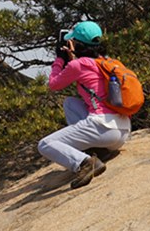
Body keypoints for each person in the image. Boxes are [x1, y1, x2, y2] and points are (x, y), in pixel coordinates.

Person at [37, 21, 131, 189]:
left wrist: (59, 59)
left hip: (103, 127)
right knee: (70, 103)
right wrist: (72, 57)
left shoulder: (77, 65)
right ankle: (98, 150)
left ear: (75, 43)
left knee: (45, 144)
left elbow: (53, 84)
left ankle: (84, 163)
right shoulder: (106, 62)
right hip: (123, 131)